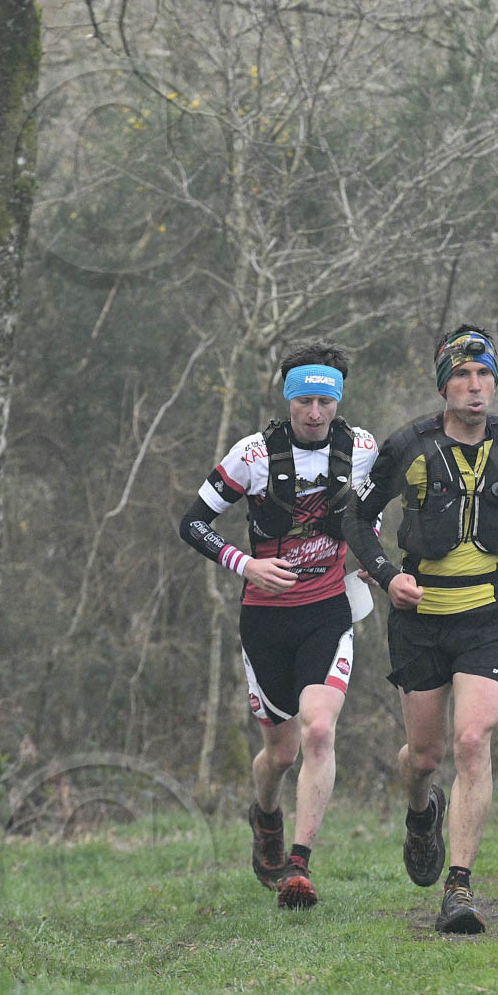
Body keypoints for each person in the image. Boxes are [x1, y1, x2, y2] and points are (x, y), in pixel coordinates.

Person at [345, 325, 498, 934]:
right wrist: (387, 576)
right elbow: (356, 516)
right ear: (444, 386)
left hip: (489, 612)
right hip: (421, 621)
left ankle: (458, 888)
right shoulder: (408, 446)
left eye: (484, 374)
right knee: (425, 755)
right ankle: (420, 813)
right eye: (462, 375)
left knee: (472, 740)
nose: (474, 386)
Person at [179, 341, 378, 909]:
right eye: (304, 402)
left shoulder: (362, 449)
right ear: (287, 400)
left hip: (328, 611)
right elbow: (192, 523)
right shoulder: (252, 455)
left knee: (319, 731)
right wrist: (247, 565)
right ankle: (265, 815)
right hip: (265, 620)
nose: (314, 414)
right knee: (282, 755)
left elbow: (371, 511)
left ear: (338, 401)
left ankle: (299, 865)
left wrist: (371, 553)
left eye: (325, 402)